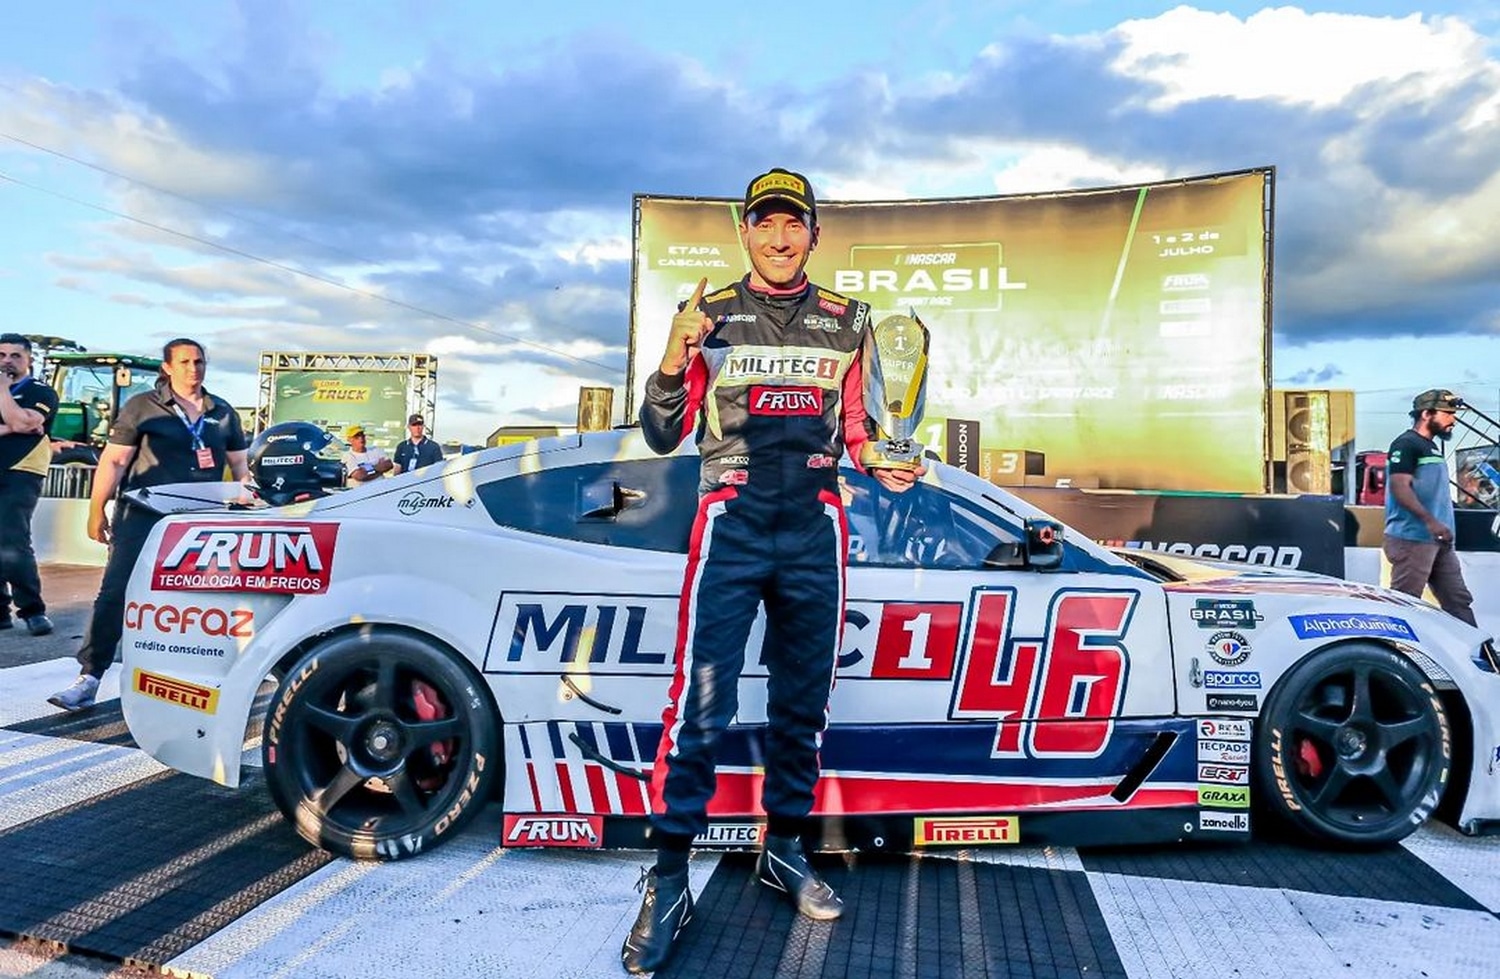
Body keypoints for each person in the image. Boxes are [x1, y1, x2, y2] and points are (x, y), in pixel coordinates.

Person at [624, 168, 921, 974]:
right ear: (745, 233)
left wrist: (881, 463)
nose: (780, 237)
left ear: (815, 234)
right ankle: (667, 876)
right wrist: (670, 352)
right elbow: (661, 433)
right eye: (766, 223)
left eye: (794, 224)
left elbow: (859, 430)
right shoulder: (708, 317)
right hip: (733, 518)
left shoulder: (849, 322)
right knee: (702, 706)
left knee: (803, 703)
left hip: (816, 523)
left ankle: (783, 846)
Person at [48, 338, 249, 711]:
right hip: (142, 517)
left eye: (200, 362)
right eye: (185, 362)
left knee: (198, 601)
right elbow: (113, 462)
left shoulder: (222, 411)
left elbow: (239, 465)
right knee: (115, 593)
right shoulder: (142, 407)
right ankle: (90, 676)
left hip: (200, 522)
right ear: (167, 368)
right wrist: (97, 510)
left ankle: (189, 682)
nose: (194, 369)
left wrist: (245, 500)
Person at [1383, 388, 1476, 626]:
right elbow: (1399, 487)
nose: (1452, 420)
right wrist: (1431, 521)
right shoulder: (1406, 444)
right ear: (1426, 414)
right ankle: (1392, 656)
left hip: (1439, 541)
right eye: (1447, 413)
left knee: (1458, 601)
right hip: (1412, 539)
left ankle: (1479, 656)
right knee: (1403, 604)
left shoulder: (1430, 447)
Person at [0, 333, 60, 636]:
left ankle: (32, 609)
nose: (7, 361)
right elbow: (20, 422)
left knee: (11, 540)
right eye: (1, 355)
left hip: (22, 470)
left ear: (29, 360)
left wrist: (2, 390)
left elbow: (25, 423)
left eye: (15, 356)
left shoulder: (40, 391)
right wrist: (13, 423)